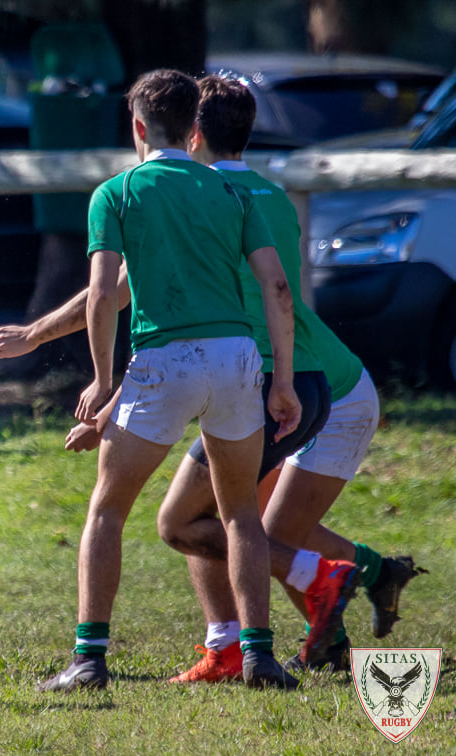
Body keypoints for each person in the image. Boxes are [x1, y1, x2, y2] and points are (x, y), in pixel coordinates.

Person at [31, 69, 301, 692]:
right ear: (196, 129)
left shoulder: (117, 192)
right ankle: (259, 656)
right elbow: (277, 287)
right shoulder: (232, 194)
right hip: (236, 358)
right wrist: (281, 380)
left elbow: (103, 295)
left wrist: (101, 381)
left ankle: (89, 659)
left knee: (108, 509)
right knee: (239, 515)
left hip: (163, 361)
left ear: (138, 127)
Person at [160, 74, 423, 681]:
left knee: (257, 533)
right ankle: (363, 583)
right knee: (235, 520)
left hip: (322, 387)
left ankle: (300, 618)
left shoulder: (206, 200)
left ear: (192, 131)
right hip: (280, 378)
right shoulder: (270, 193)